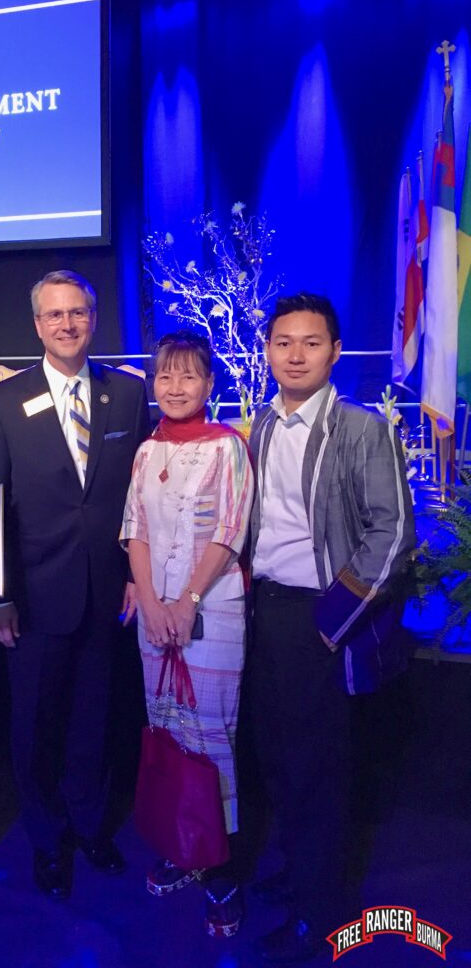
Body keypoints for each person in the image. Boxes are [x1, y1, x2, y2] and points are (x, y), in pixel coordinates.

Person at [246, 293, 415, 963]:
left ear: (335, 351)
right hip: (262, 611)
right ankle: (296, 873)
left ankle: (318, 917)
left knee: (318, 771)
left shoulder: (362, 429)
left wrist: (333, 619)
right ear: (266, 352)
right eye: (282, 342)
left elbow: (394, 531)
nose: (294, 354)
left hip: (322, 617)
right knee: (277, 762)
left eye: (310, 342)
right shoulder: (255, 426)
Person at [0, 269, 151, 899]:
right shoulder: (0, 401)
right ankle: (47, 840)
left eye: (78, 312)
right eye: (55, 315)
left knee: (95, 720)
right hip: (31, 595)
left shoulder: (128, 397)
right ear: (37, 325)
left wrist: (140, 572)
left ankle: (88, 826)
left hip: (108, 592)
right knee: (34, 725)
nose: (68, 324)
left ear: (94, 317)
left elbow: (143, 498)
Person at [120, 330, 254, 938]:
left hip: (214, 609)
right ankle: (181, 843)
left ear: (209, 384)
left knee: (212, 734)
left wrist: (188, 600)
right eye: (165, 377)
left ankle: (219, 862)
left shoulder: (228, 447)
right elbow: (135, 529)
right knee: (168, 723)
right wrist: (152, 603)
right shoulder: (148, 449)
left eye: (188, 377)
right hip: (155, 616)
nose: (175, 388)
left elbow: (230, 531)